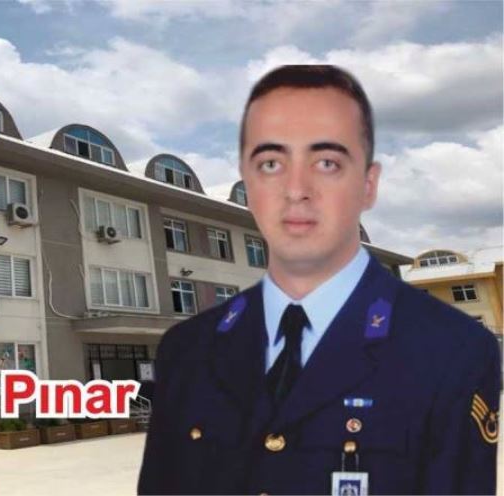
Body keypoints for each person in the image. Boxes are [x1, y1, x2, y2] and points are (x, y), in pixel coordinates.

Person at [137, 65, 501, 495]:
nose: (296, 189)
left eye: (327, 163)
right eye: (271, 164)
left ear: (368, 185)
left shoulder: (450, 349)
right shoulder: (187, 349)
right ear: (248, 185)